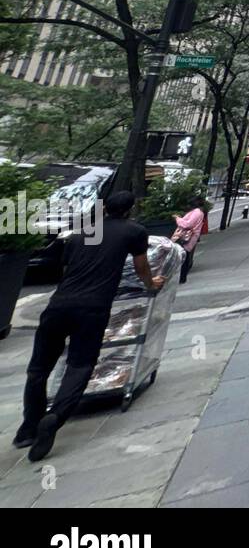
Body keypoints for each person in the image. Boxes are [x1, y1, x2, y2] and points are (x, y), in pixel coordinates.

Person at [15, 191, 164, 462]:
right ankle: (55, 417)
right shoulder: (135, 231)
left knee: (38, 369)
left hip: (58, 305)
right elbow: (141, 266)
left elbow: (67, 268)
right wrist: (151, 284)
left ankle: (27, 427)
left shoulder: (82, 231)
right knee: (80, 365)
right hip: (93, 308)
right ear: (131, 209)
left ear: (104, 208)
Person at [171, 200, 206, 285]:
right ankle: (182, 277)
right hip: (190, 236)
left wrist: (177, 219)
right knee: (184, 256)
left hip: (187, 237)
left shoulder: (196, 212)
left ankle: (182, 277)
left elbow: (187, 224)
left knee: (183, 256)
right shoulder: (198, 212)